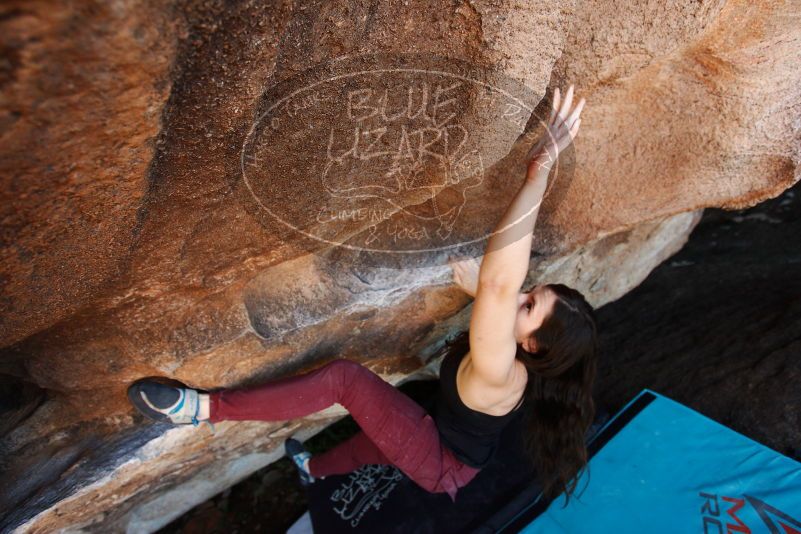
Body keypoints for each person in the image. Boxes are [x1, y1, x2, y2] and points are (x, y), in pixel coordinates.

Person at [128, 83, 597, 505]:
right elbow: (494, 294)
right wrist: (483, 286)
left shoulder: (500, 371)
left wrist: (538, 171)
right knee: (379, 442)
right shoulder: (517, 353)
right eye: (529, 292)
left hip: (442, 465)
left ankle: (202, 409)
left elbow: (498, 285)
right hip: (448, 442)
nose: (518, 296)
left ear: (532, 345)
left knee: (346, 382)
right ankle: (311, 468)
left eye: (529, 305)